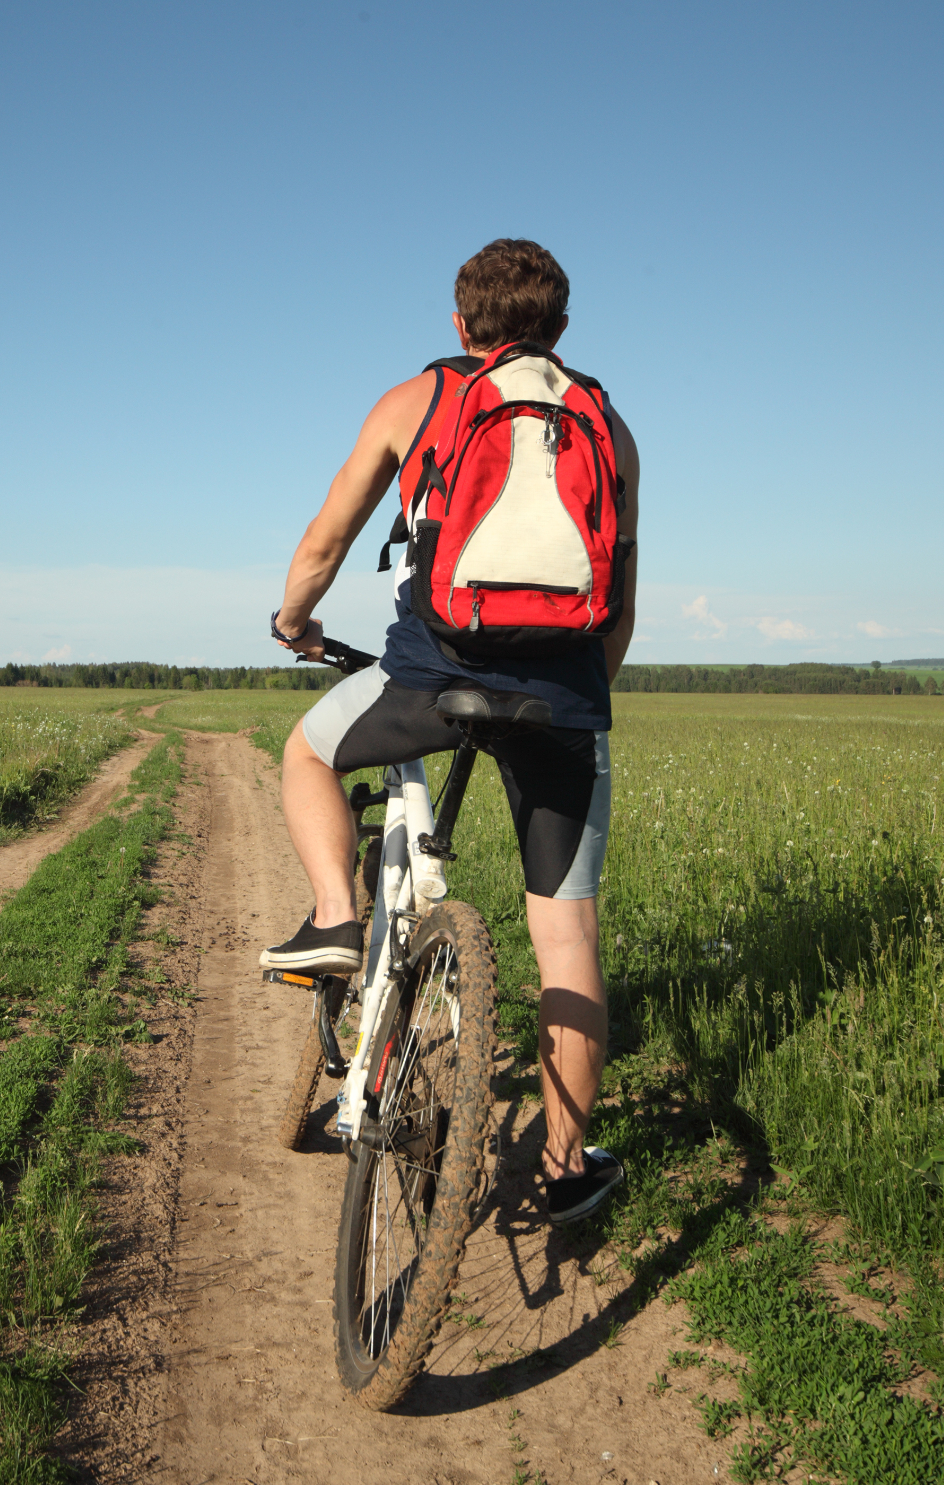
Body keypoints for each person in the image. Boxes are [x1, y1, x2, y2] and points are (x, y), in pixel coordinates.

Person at [260, 238, 639, 1225]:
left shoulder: (416, 401)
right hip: (561, 699)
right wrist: (569, 705)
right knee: (566, 939)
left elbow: (322, 545)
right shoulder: (605, 425)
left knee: (303, 752)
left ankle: (336, 919)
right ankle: (562, 1170)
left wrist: (294, 623)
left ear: (457, 323)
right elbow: (619, 609)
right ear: (559, 330)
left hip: (429, 676)